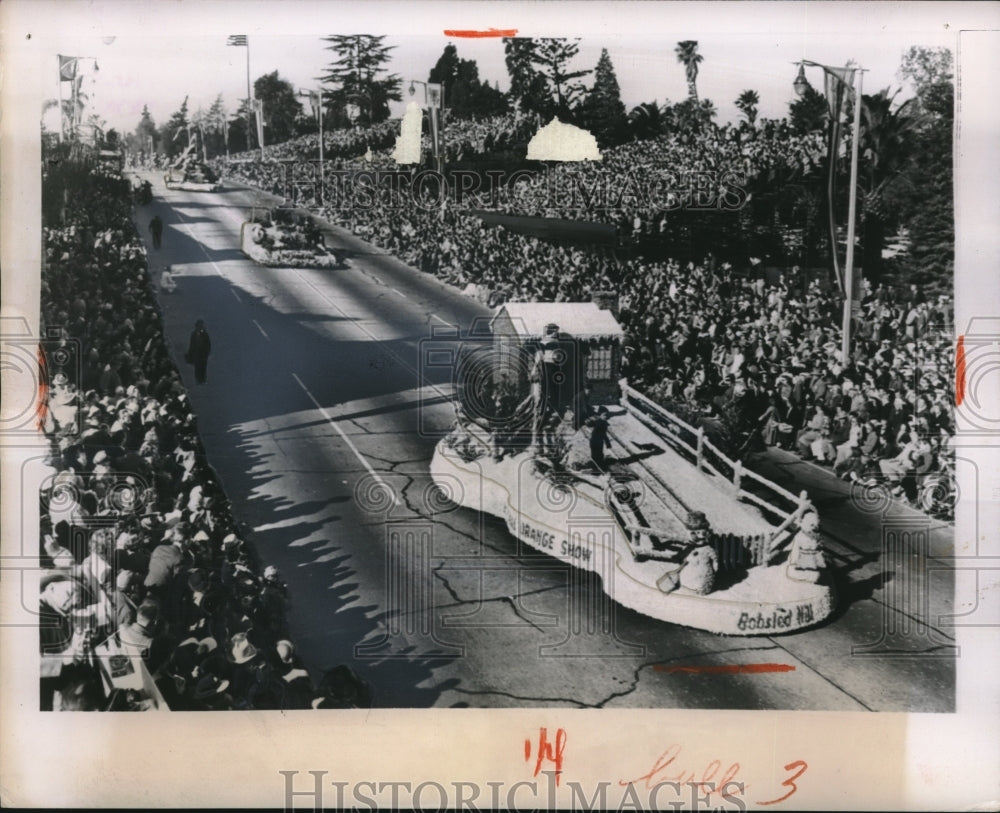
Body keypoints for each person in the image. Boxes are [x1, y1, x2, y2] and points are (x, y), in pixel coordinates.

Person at [187, 319, 212, 385]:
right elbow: (192, 344)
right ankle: (198, 379)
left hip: (203, 353)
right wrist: (191, 353)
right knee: (198, 366)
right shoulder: (194, 334)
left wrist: (207, 352)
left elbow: (208, 344)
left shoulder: (205, 334)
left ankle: (202, 379)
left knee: (203, 366)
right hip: (197, 353)